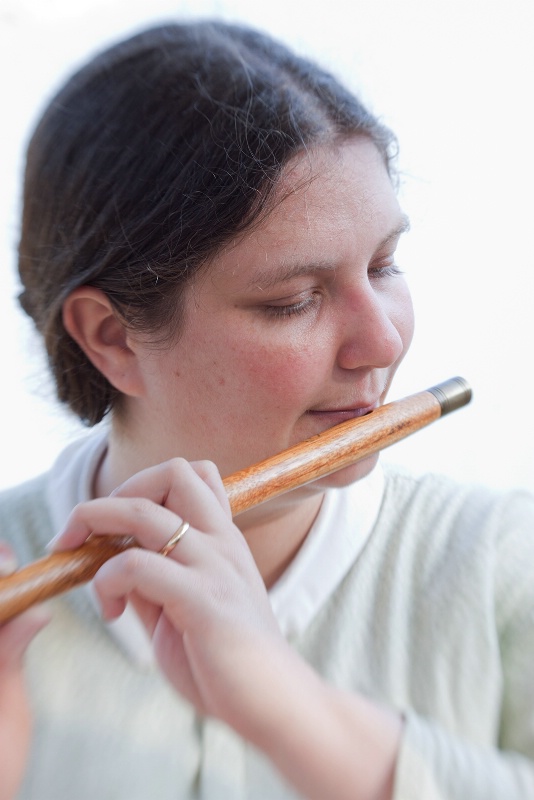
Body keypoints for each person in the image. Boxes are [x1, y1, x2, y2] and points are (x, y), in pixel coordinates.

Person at [0, 19, 533, 800]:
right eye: (293, 301)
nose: (382, 343)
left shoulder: (498, 566)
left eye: (385, 266)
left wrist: (294, 711)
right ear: (112, 338)